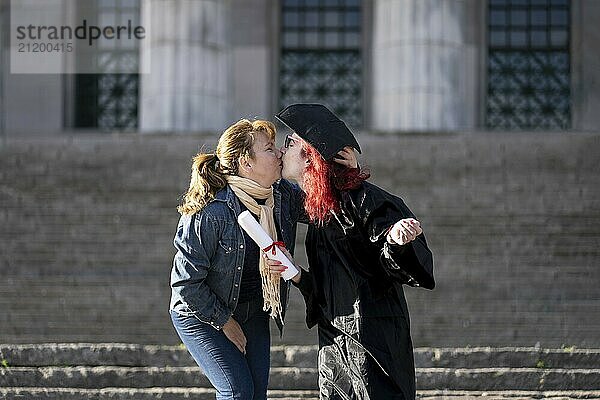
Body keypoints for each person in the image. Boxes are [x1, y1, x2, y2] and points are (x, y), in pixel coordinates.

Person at [169, 118, 356, 400]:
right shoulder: (210, 211)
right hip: (202, 315)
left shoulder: (283, 195)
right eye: (269, 148)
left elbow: (327, 209)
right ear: (246, 162)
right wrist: (225, 322)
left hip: (254, 310)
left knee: (255, 396)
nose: (280, 153)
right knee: (237, 392)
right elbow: (185, 284)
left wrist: (347, 172)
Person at [265, 104, 435, 400]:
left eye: (289, 143)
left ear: (310, 156)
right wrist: (295, 274)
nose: (282, 151)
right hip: (334, 344)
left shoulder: (365, 199)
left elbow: (386, 262)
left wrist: (396, 240)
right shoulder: (319, 212)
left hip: (374, 340)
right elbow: (326, 289)